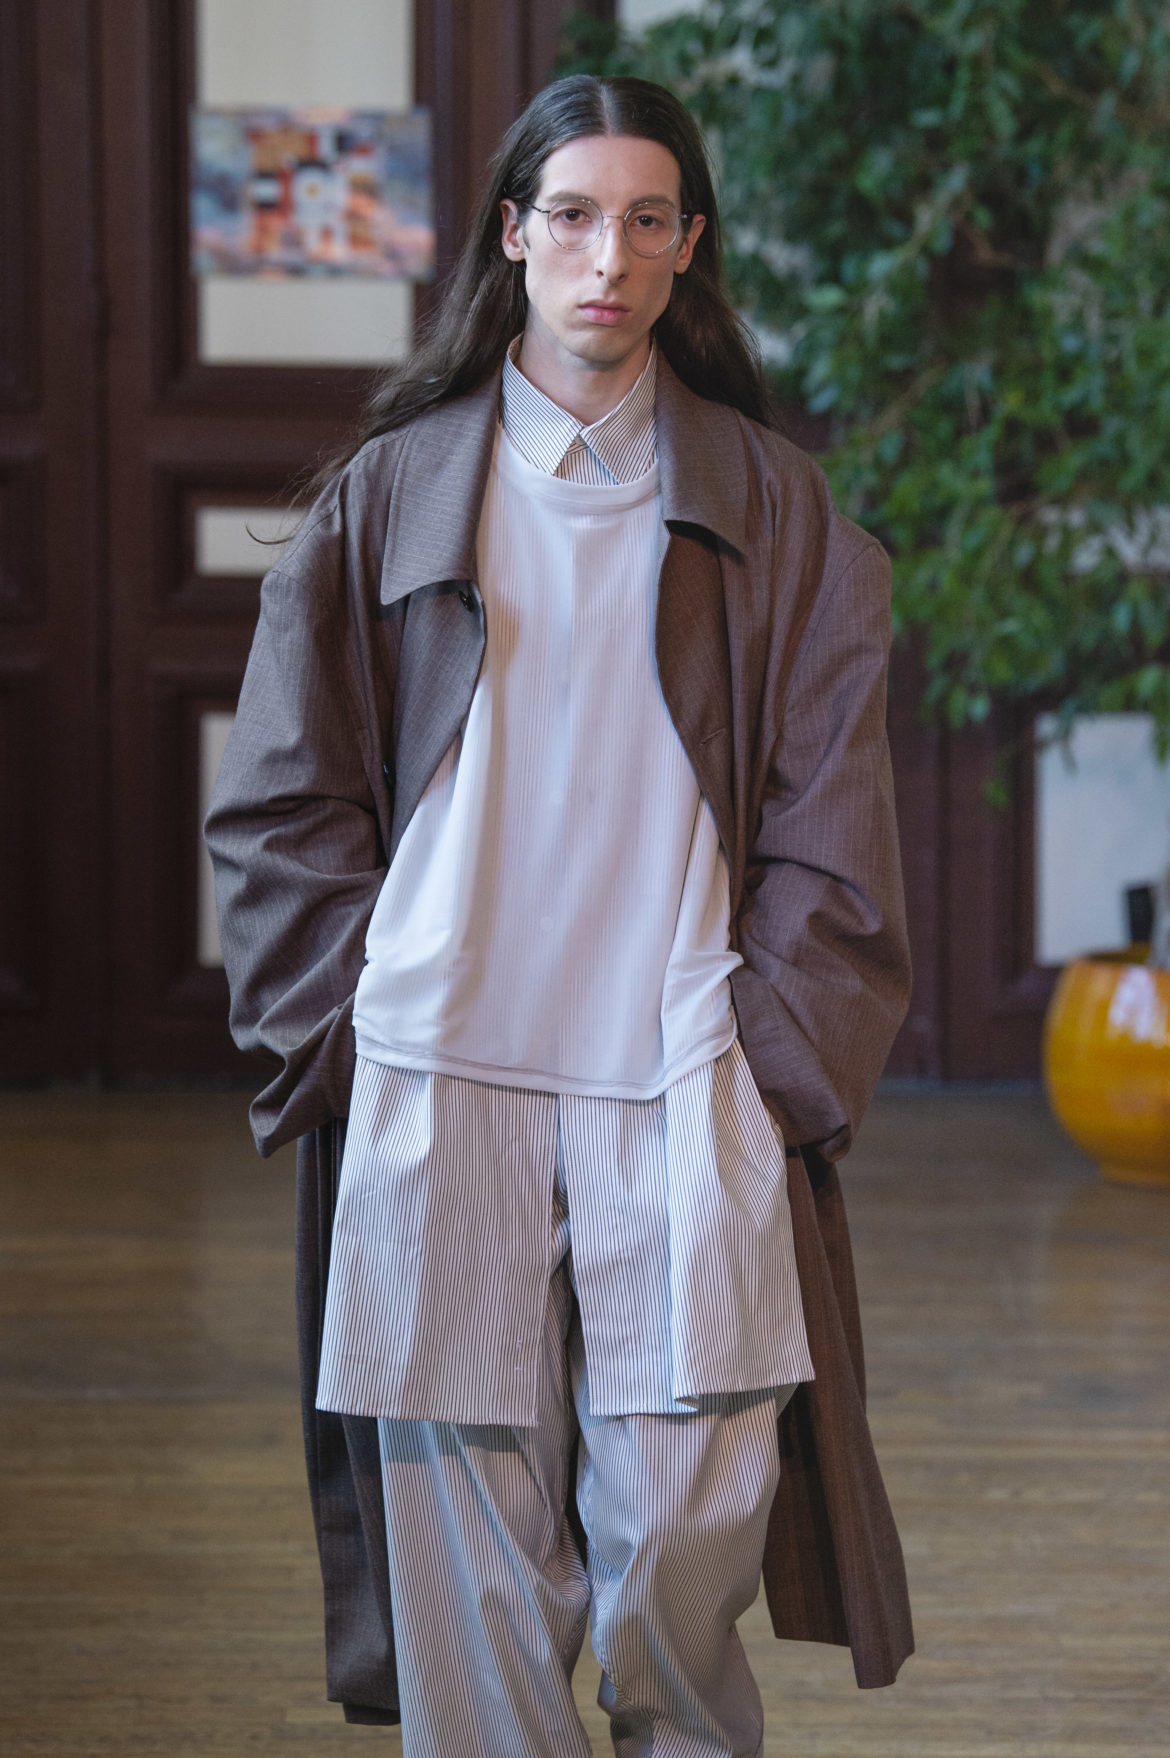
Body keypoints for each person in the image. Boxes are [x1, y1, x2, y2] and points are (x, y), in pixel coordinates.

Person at [205, 73, 914, 1758]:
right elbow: (283, 802)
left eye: (644, 220)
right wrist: (339, 1026)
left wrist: (778, 1057)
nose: (608, 256)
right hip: (439, 1061)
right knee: (472, 1571)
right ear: (515, 236)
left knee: (684, 1517)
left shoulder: (778, 510)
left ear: (687, 248)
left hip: (683, 1062)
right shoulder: (391, 495)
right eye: (575, 216)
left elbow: (833, 824)